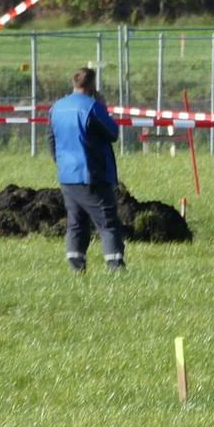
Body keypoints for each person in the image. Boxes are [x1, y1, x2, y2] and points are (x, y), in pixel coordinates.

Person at [49, 67, 125, 273]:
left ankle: (76, 267)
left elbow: (51, 140)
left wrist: (62, 163)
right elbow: (112, 133)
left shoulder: (57, 107)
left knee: (76, 222)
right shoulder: (91, 107)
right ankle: (116, 266)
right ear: (92, 84)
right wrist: (103, 107)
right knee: (107, 222)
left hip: (67, 175)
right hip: (91, 175)